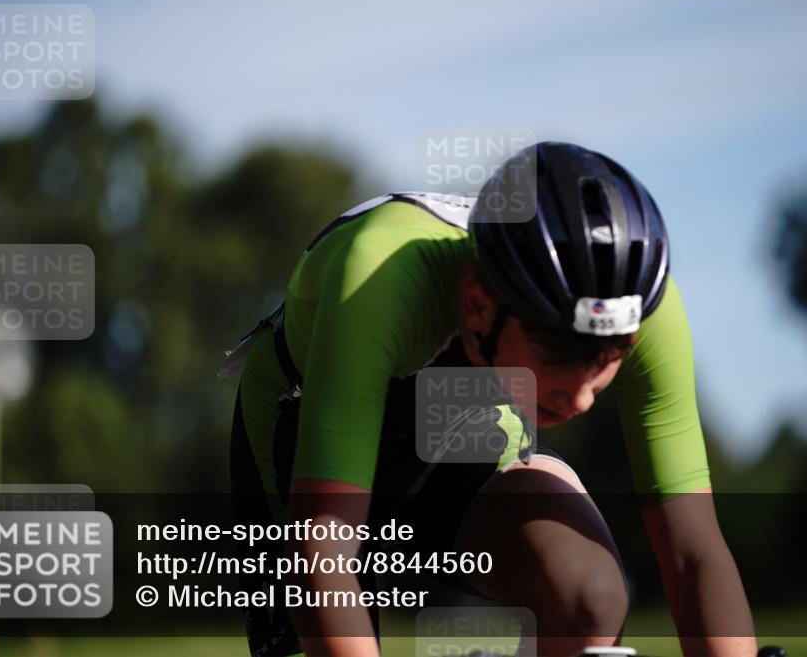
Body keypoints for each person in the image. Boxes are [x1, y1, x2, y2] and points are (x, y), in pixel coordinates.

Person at [224, 141, 758, 657]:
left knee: (590, 597)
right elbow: (324, 552)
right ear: (478, 307)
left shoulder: (639, 303)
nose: (580, 396)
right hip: (300, 448)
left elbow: (693, 553)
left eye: (607, 359)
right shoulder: (376, 279)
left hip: (463, 434)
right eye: (558, 352)